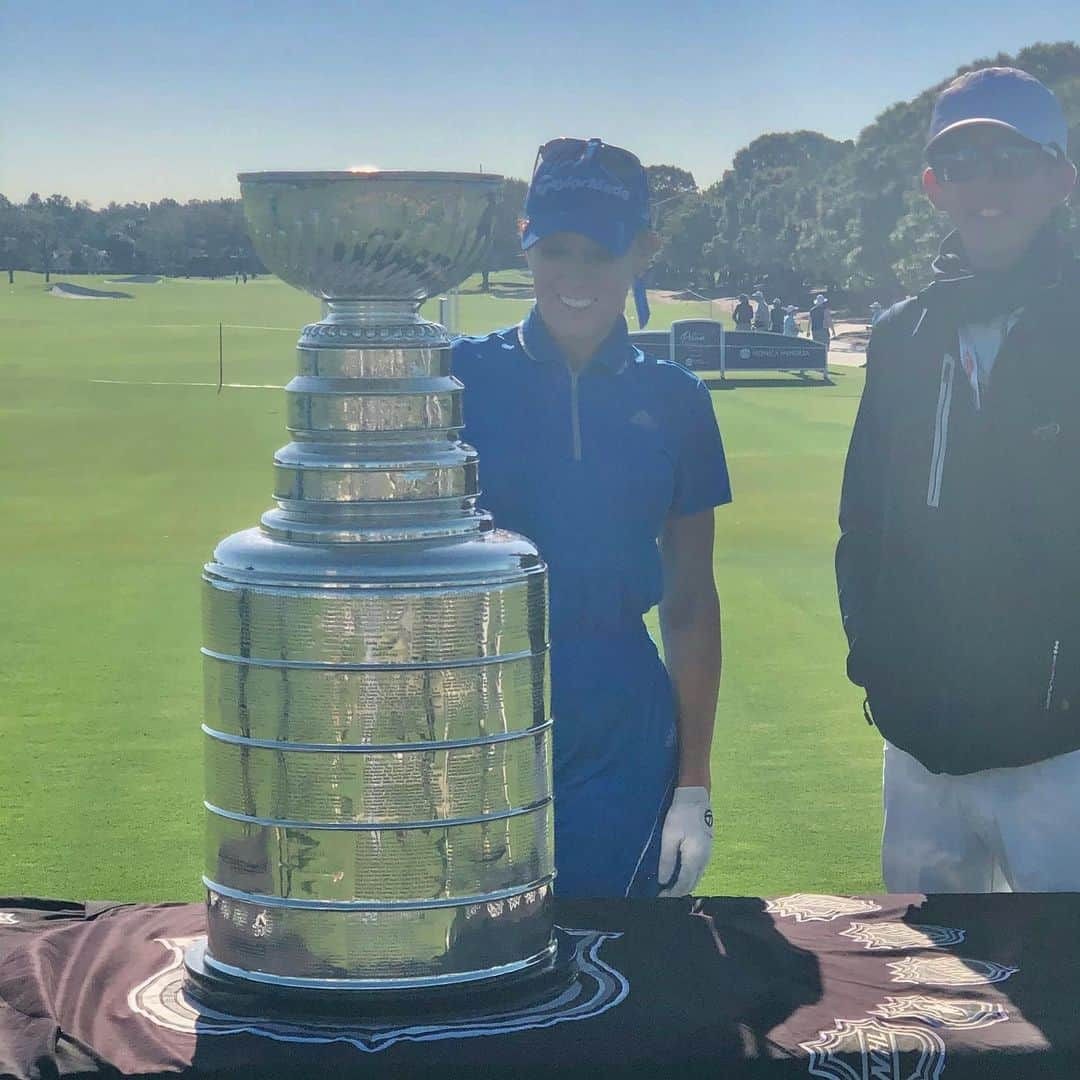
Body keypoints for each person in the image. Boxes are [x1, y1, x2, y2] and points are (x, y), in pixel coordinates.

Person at [452, 138, 732, 898]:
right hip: (477, 702)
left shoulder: (677, 400)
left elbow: (690, 601)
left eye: (600, 254)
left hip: (619, 716)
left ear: (643, 251)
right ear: (525, 243)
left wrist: (693, 788)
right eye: (557, 250)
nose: (575, 278)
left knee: (617, 966)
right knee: (472, 955)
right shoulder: (455, 378)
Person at [835, 67, 1080, 893]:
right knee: (929, 997)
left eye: (1010, 161)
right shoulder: (905, 333)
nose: (987, 185)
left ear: (1061, 178)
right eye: (964, 163)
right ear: (935, 187)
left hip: (1059, 755)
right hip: (919, 754)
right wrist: (875, 660)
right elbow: (863, 523)